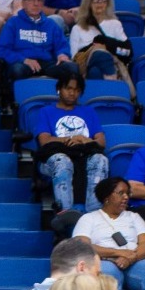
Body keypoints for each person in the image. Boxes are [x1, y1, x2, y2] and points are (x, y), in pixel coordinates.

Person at [72, 178, 145, 290]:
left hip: (134, 263)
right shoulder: (89, 218)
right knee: (107, 272)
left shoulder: (134, 217)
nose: (126, 197)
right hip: (103, 261)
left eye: (127, 193)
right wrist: (118, 253)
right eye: (120, 193)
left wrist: (131, 258)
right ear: (107, 196)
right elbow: (81, 247)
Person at [33, 74, 108, 213]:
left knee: (100, 159)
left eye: (77, 90)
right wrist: (69, 139)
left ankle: (94, 212)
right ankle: (65, 212)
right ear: (59, 89)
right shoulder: (46, 111)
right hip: (54, 159)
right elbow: (44, 140)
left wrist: (84, 139)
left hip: (83, 155)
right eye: (68, 88)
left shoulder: (88, 111)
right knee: (63, 161)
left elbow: (101, 142)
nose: (72, 93)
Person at [0, 0, 76, 84]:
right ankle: (18, 99)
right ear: (23, 3)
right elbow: (2, 50)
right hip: (23, 62)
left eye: (40, 0)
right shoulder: (13, 23)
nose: (36, 3)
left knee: (71, 68)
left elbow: (62, 45)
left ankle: (63, 98)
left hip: (47, 63)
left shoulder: (51, 24)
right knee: (17, 70)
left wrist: (62, 54)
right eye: (31, 0)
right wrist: (23, 59)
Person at [70, 0, 132, 87]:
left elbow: (127, 52)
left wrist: (107, 47)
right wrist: (95, 49)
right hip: (85, 67)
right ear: (88, 3)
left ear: (108, 2)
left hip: (111, 65)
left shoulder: (115, 24)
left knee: (97, 69)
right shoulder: (77, 28)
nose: (100, 3)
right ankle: (113, 88)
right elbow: (75, 58)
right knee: (98, 55)